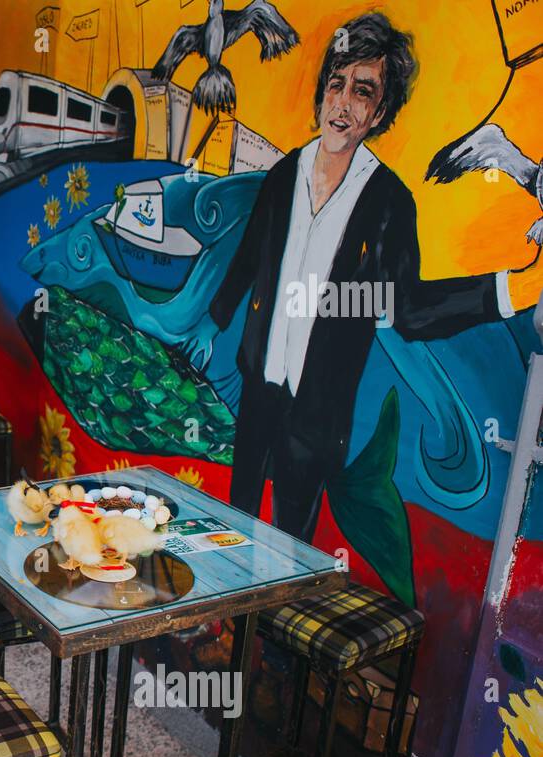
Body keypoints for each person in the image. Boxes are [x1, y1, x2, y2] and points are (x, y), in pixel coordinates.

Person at [210, 11, 542, 542]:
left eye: (362, 92)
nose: (342, 104)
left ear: (379, 111)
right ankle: (224, 626)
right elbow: (248, 260)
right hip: (259, 386)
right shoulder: (281, 177)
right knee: (236, 522)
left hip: (318, 411)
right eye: (336, 85)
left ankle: (267, 627)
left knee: (289, 551)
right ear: (321, 93)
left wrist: (505, 291)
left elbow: (406, 309)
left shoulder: (388, 201)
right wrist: (210, 325)